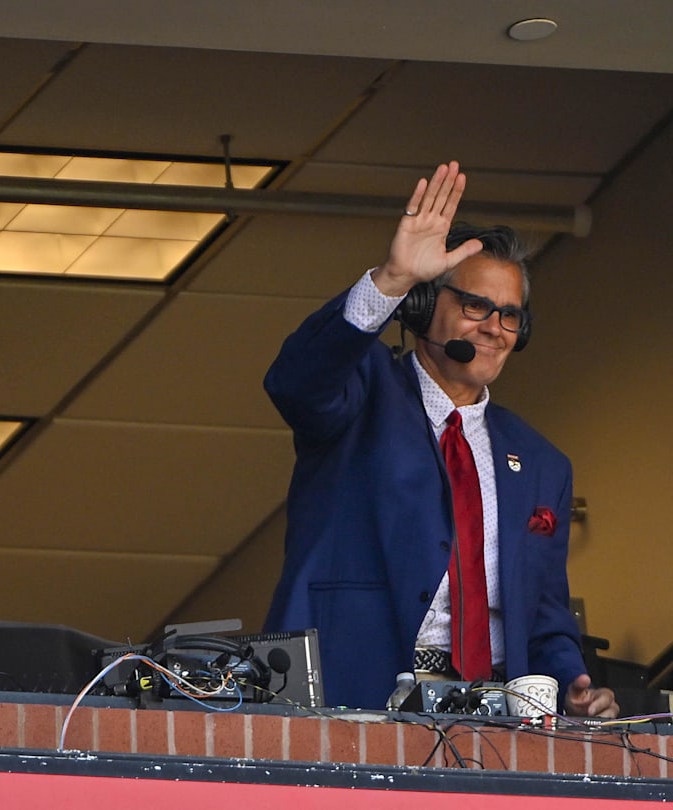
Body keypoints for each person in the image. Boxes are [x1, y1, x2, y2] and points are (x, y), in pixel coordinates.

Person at [262, 161, 617, 717]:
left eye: (510, 316)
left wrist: (573, 679)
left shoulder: (544, 462)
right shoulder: (365, 391)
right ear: (425, 307)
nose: (493, 329)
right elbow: (295, 381)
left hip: (494, 718)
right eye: (476, 306)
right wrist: (393, 279)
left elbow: (544, 609)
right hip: (353, 693)